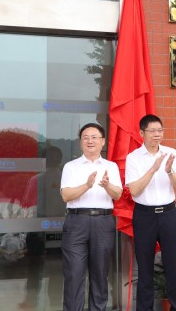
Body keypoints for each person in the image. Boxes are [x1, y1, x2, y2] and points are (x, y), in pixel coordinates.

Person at [126, 114, 176, 311]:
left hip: (168, 215)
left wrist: (169, 171)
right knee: (145, 268)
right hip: (144, 216)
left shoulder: (170, 153)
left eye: (160, 130)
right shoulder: (133, 157)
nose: (157, 134)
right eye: (152, 131)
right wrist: (153, 169)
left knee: (173, 267)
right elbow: (134, 190)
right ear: (141, 133)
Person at [60, 123, 122, 311]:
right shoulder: (71, 167)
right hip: (76, 222)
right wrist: (87, 185)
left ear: (102, 141)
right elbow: (66, 195)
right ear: (80, 142)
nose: (90, 141)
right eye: (85, 137)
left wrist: (107, 185)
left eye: (94, 137)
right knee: (74, 274)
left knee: (100, 274)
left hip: (103, 222)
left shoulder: (111, 166)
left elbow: (117, 194)